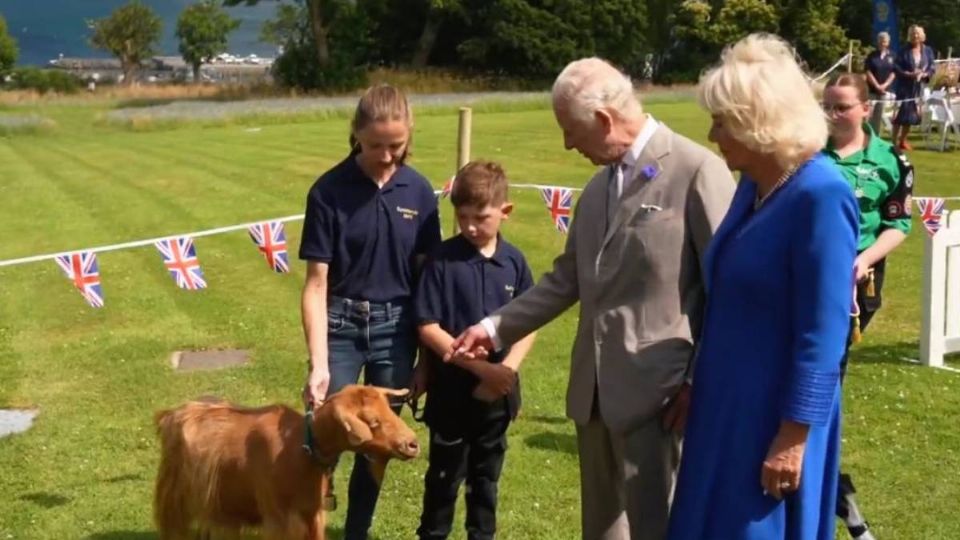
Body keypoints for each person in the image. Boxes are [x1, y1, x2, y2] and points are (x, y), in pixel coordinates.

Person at [449, 57, 736, 540]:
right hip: (595, 396)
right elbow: (566, 279)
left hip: (662, 399)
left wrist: (696, 381)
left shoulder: (697, 171)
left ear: (604, 120)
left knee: (660, 529)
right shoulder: (599, 187)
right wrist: (493, 327)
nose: (566, 143)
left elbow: (728, 292)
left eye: (570, 129)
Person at [666, 34, 858, 540]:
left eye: (721, 121)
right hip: (722, 404)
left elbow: (824, 332)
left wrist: (793, 437)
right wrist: (694, 382)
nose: (712, 134)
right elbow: (726, 295)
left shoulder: (821, 194)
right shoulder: (754, 183)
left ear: (758, 122)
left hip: (772, 415)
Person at [298, 84, 441, 540]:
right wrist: (320, 363)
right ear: (356, 134)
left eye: (395, 146)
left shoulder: (418, 192)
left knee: (378, 444)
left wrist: (426, 360)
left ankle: (356, 532)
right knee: (325, 437)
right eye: (375, 145)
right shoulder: (328, 192)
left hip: (396, 328)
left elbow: (427, 284)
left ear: (409, 135)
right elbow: (316, 284)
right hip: (340, 324)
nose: (385, 155)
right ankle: (311, 526)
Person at [411, 160, 537, 540]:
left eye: (480, 217)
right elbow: (427, 326)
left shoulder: (514, 263)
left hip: (496, 399)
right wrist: (484, 371)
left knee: (486, 479)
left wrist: (507, 371)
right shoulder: (442, 260)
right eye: (462, 216)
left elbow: (528, 323)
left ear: (505, 212)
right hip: (451, 393)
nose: (469, 226)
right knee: (443, 479)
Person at [823, 72, 913, 540]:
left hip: (854, 289)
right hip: (801, 280)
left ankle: (835, 497)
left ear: (864, 108)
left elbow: (899, 225)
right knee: (815, 389)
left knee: (819, 385)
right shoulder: (806, 153)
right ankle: (839, 500)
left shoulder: (890, 161)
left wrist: (861, 262)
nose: (834, 116)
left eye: (842, 107)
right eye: (829, 107)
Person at [892, 24, 936, 150]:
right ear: (909, 36)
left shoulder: (927, 50)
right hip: (904, 86)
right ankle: (893, 141)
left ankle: (903, 140)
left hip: (918, 87)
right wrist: (907, 74)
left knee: (911, 115)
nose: (915, 36)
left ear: (922, 36)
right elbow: (896, 67)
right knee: (900, 114)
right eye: (912, 34)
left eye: (917, 34)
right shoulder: (903, 50)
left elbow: (932, 66)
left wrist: (925, 74)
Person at [864, 32, 896, 135]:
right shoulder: (872, 56)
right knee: (868, 115)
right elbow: (868, 71)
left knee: (880, 115)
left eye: (885, 41)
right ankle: (866, 134)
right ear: (878, 42)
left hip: (885, 91)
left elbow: (894, 72)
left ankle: (877, 136)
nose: (883, 43)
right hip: (872, 90)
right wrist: (876, 85)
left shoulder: (892, 56)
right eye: (881, 41)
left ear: (888, 42)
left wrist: (884, 85)